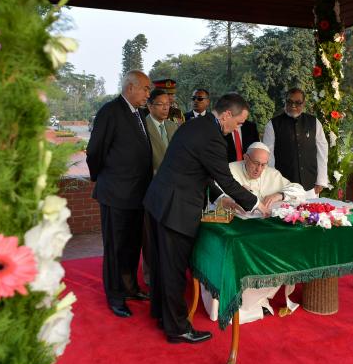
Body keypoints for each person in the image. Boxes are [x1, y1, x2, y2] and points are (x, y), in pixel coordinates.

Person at [144, 93, 268, 344]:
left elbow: (202, 171)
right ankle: (177, 328)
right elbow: (225, 178)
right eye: (239, 123)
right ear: (226, 115)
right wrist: (256, 204)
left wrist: (223, 198)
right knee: (174, 269)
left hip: (160, 202)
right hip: (175, 209)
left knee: (162, 264)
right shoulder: (212, 137)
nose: (238, 128)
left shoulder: (195, 126)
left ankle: (162, 314)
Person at [202, 142, 306, 324]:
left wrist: (279, 195)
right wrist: (231, 199)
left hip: (261, 234)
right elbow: (212, 191)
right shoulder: (229, 170)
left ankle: (257, 301)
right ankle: (232, 304)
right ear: (245, 158)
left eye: (263, 165)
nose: (259, 169)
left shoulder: (272, 174)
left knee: (279, 253)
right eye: (255, 163)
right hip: (234, 232)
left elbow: (299, 191)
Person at [86, 70, 153, 318]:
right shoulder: (110, 111)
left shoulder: (139, 113)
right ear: (130, 87)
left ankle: (130, 288)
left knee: (132, 246)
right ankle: (115, 296)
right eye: (145, 88)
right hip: (115, 194)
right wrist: (103, 178)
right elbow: (94, 151)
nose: (148, 93)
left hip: (137, 195)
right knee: (116, 249)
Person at [141, 89, 178, 286]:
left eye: (168, 104)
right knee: (149, 236)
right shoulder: (142, 127)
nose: (166, 108)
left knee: (169, 235)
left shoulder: (173, 126)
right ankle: (150, 276)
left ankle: (168, 273)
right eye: (161, 104)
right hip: (151, 189)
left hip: (173, 190)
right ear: (150, 106)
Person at [262, 87, 328, 195]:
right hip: (283, 186)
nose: (293, 106)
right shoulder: (273, 124)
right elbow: (269, 156)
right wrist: (273, 182)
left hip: (310, 185)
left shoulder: (314, 122)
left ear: (304, 103)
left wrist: (321, 180)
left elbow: (322, 152)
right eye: (289, 102)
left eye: (297, 103)